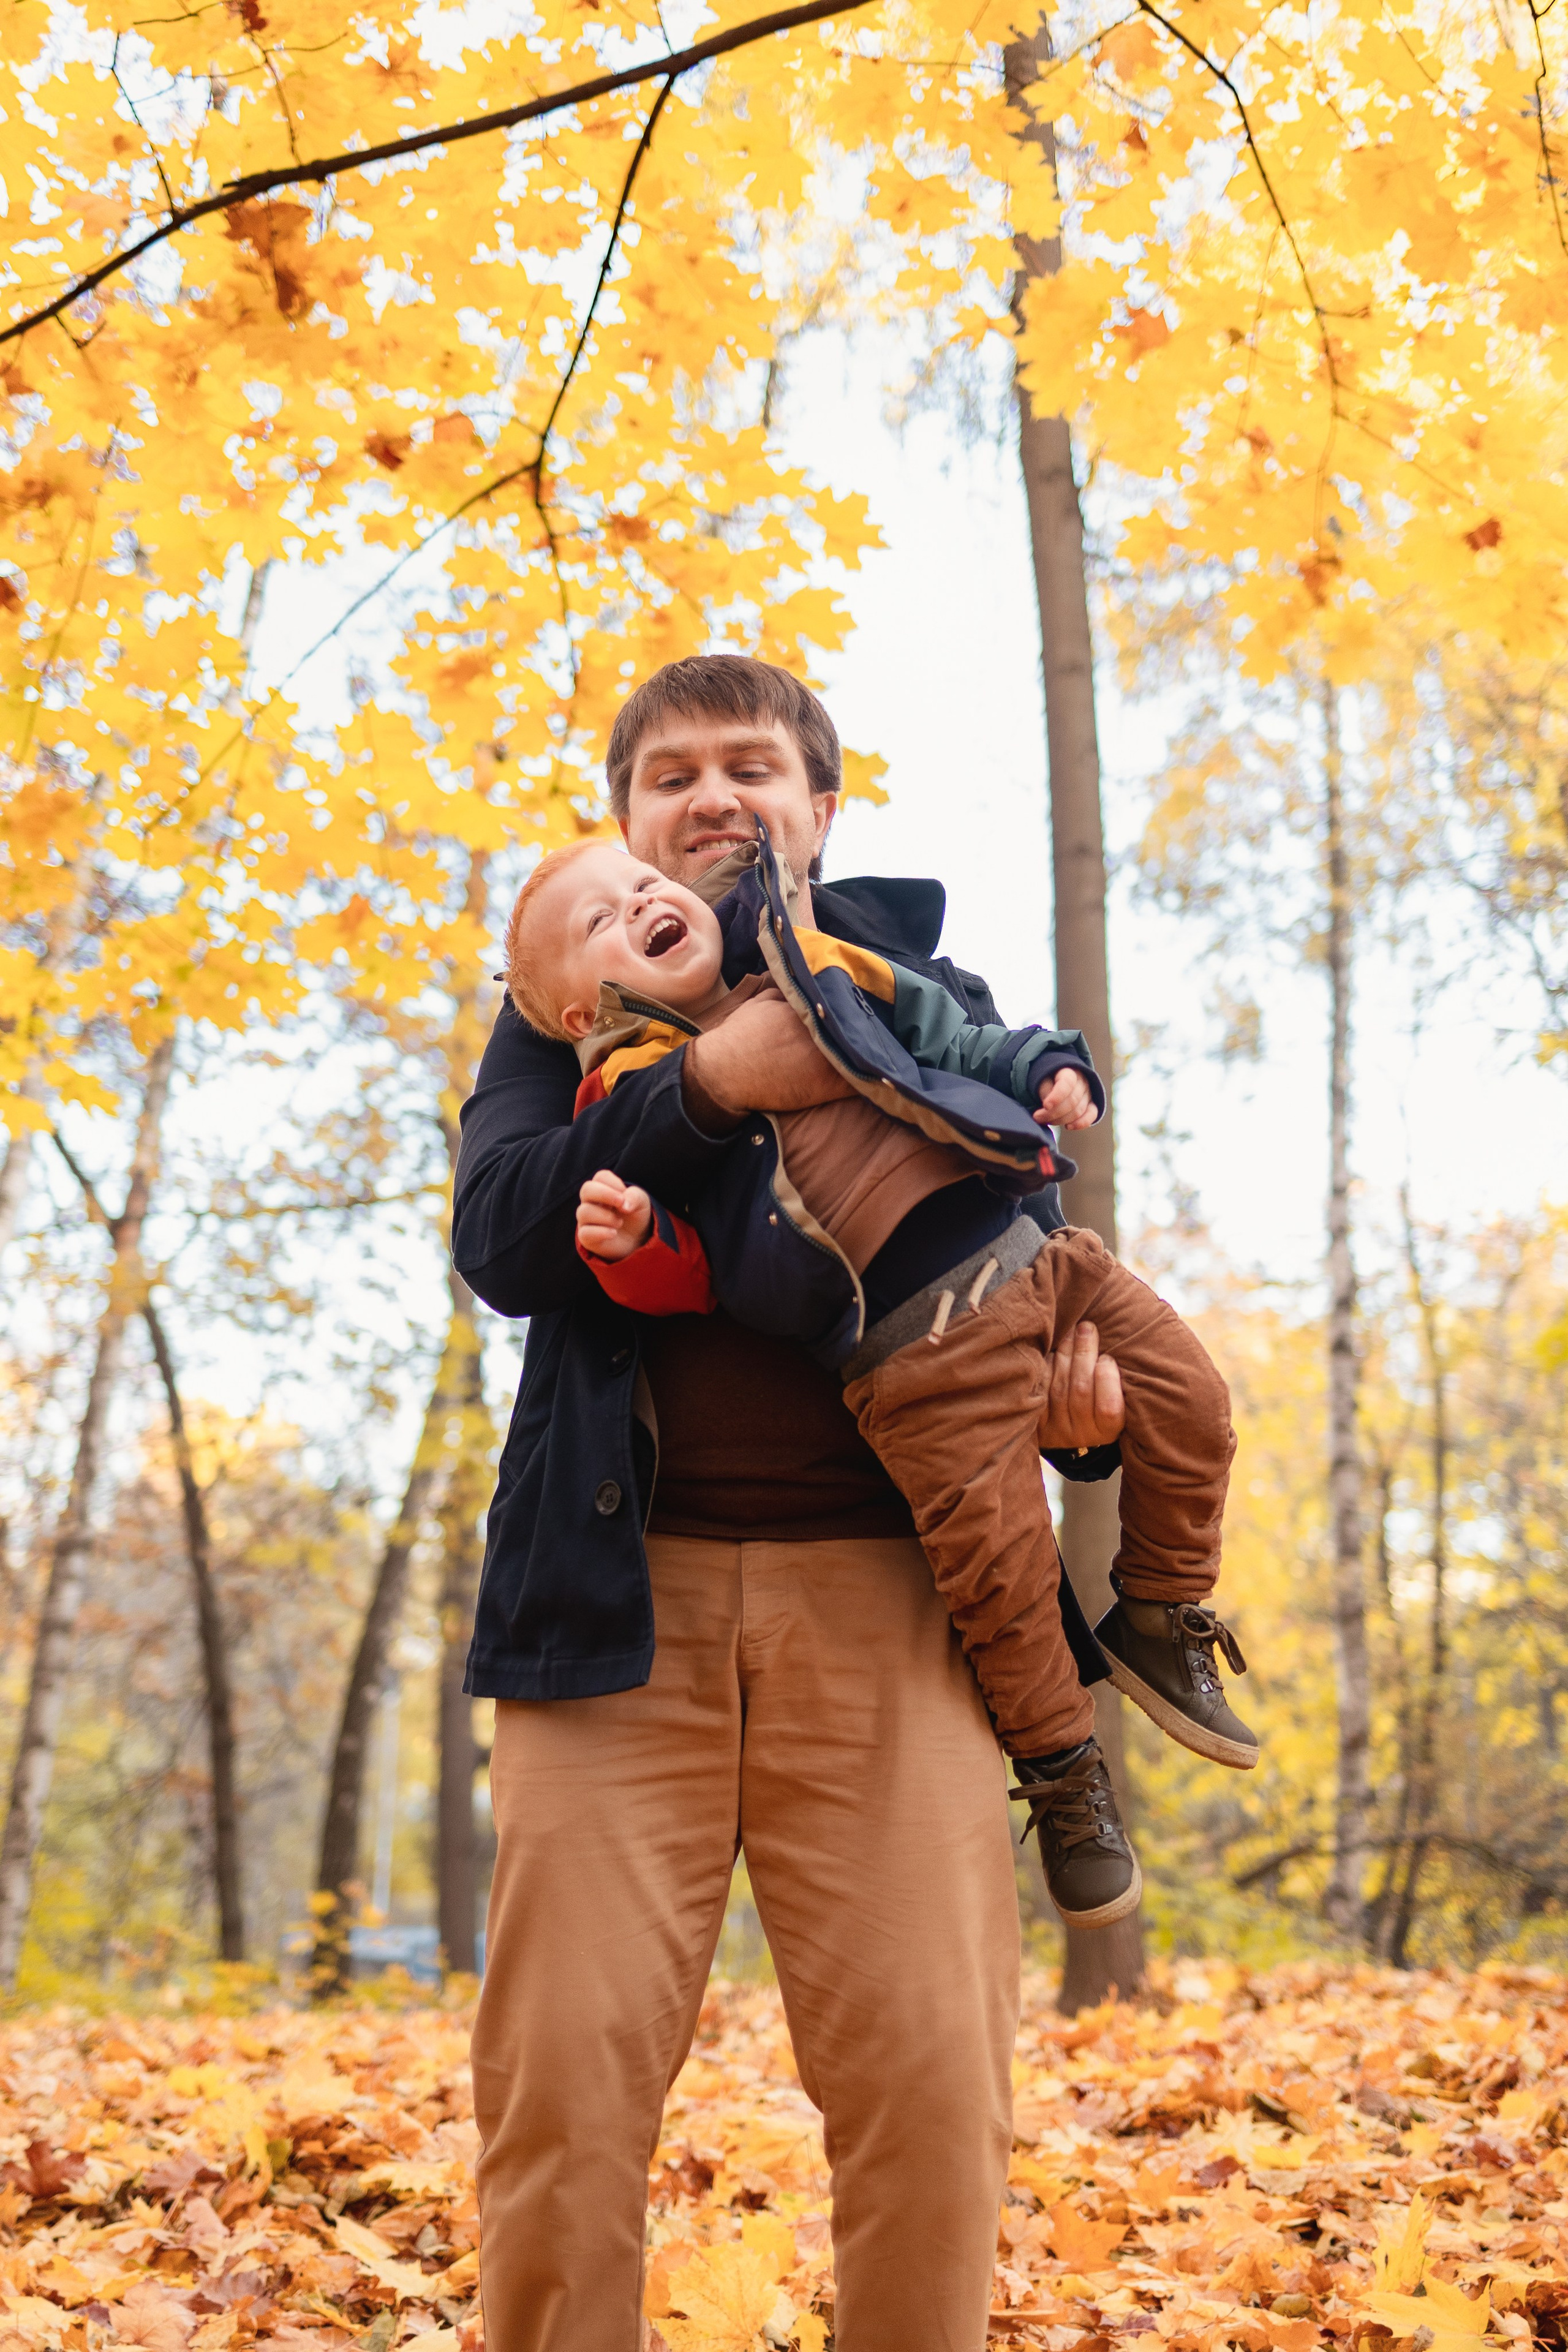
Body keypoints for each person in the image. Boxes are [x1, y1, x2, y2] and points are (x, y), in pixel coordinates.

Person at [452, 655, 1213, 2352]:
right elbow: (505, 1237)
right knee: (562, 2107)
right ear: (628, 817)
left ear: (820, 806)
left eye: (751, 768)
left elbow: (1015, 1260)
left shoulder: (903, 983)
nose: (713, 796)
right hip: (607, 1621)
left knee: (937, 2101)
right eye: (672, 777)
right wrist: (715, 1082)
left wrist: (1085, 1446)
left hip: (892, 1613)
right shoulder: (557, 1004)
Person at [498, 821, 1254, 1935]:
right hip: (915, 1359)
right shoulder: (626, 1101)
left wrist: (1050, 1064)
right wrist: (639, 1241)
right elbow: (692, 1277)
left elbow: (949, 1033)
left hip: (1036, 1266)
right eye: (599, 921)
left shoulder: (821, 963)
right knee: (998, 1579)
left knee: (1195, 1400)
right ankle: (1062, 1772)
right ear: (581, 1014)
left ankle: (1161, 1606)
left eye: (643, 887)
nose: (640, 904)